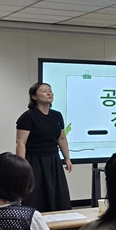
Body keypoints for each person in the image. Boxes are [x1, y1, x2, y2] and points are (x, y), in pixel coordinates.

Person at [15, 82, 72, 211]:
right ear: (34, 96)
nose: (49, 93)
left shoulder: (57, 115)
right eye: (44, 91)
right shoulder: (28, 116)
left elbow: (62, 138)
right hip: (34, 160)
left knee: (57, 193)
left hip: (53, 159)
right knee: (36, 194)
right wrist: (21, 166)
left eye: (50, 91)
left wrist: (67, 158)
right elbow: (21, 142)